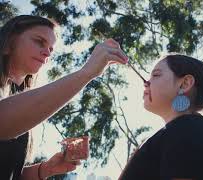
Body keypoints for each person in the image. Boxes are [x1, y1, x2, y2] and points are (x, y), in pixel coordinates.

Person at [0, 15, 128, 179]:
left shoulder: (24, 104)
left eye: (51, 49)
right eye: (39, 41)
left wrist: (45, 169)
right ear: (8, 43)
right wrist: (86, 73)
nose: (47, 52)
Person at [119, 54, 203, 180]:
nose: (146, 83)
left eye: (156, 75)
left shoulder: (188, 130)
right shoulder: (187, 130)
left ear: (185, 83)